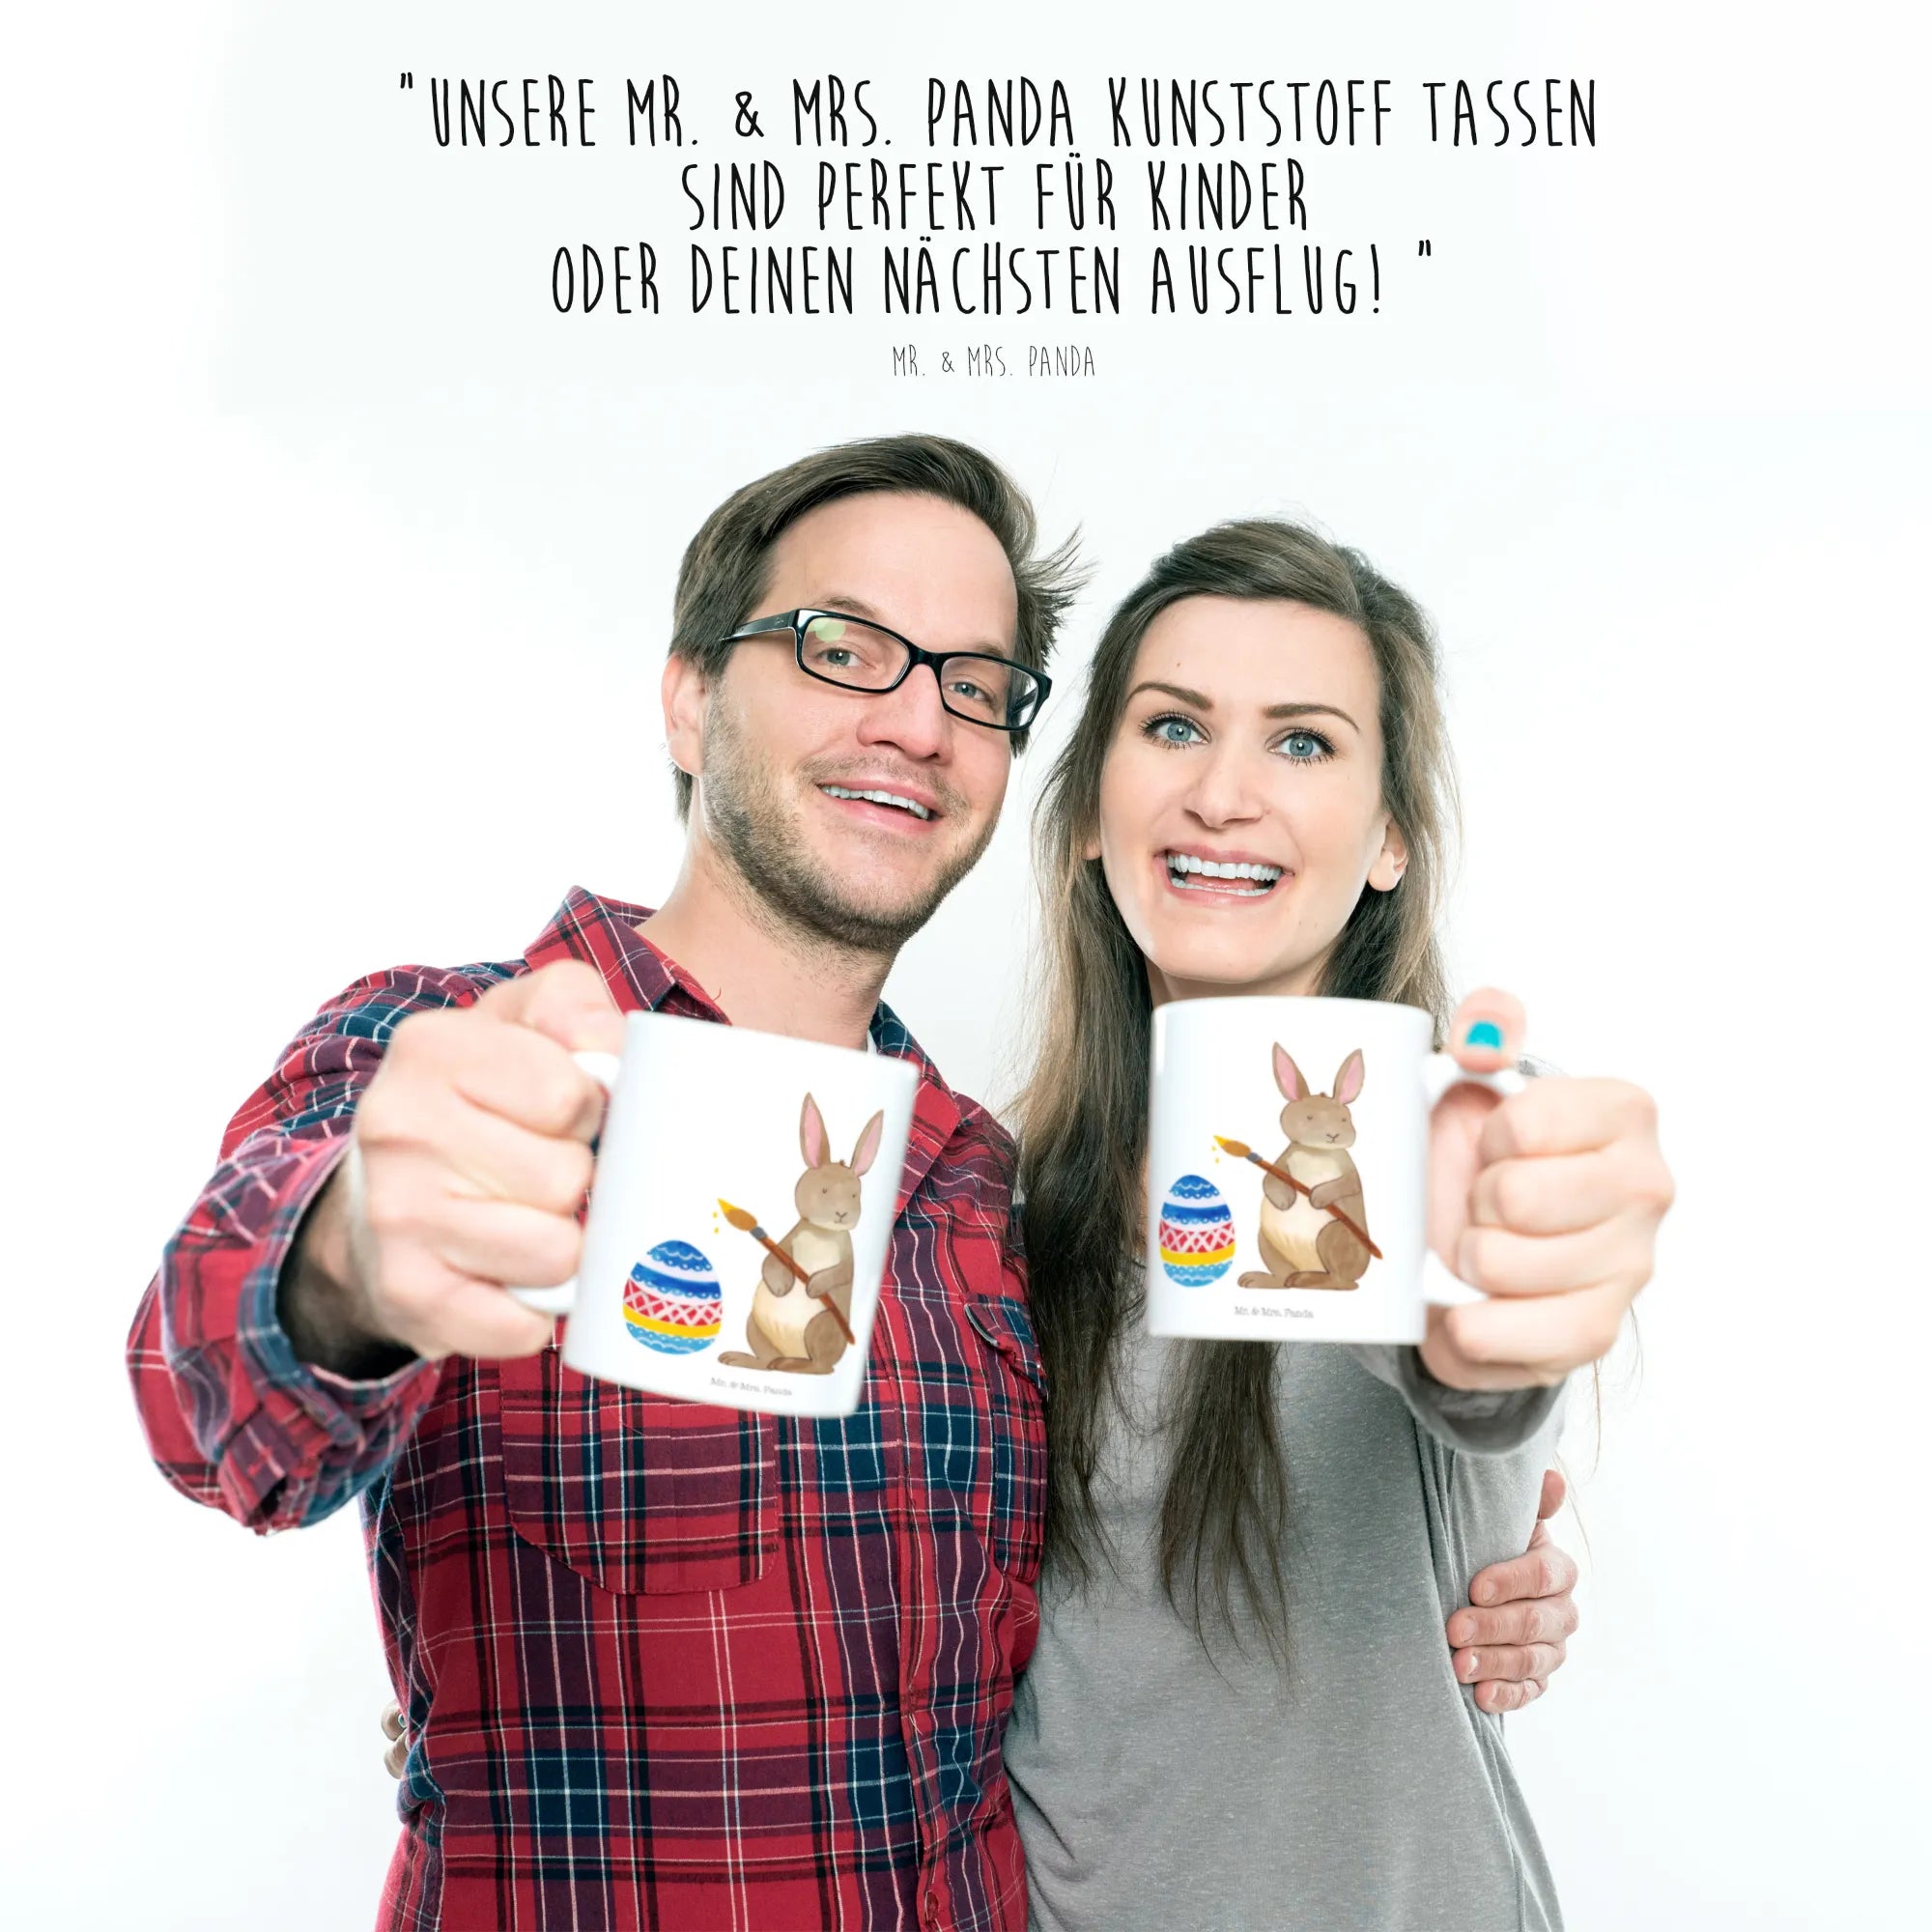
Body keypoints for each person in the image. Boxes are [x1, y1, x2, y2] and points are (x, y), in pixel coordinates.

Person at [128, 437, 1584, 1932]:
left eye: (973, 683)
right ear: (691, 696)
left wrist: (1491, 1505)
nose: (916, 721)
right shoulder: (455, 1056)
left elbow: (1417, 1387)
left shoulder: (983, 1194)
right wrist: (351, 1264)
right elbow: (206, 1391)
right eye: (843, 647)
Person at [1004, 521, 1672, 1929]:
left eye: (1302, 742)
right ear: (1087, 814)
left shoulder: (1446, 1143)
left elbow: (1473, 1360)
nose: (1223, 794)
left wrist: (1505, 1300)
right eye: (1173, 726)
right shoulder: (995, 1209)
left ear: (1388, 842)